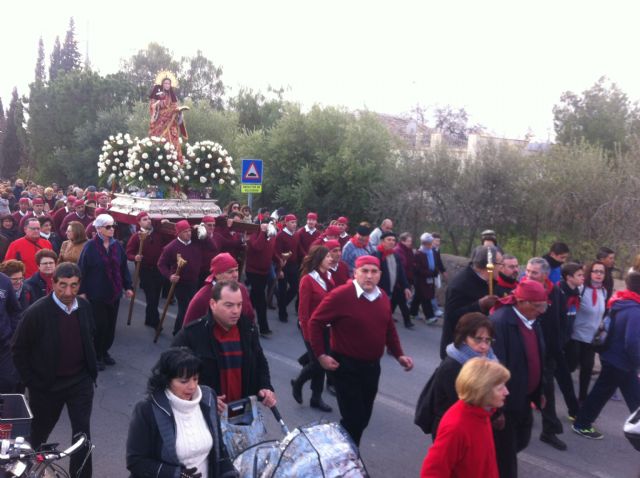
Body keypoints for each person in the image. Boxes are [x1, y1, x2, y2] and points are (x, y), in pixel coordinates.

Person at [308, 255, 414, 446]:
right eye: (364, 271)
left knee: (363, 419)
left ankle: (343, 452)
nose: (369, 276)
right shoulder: (341, 295)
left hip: (372, 368)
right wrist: (321, 355)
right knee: (353, 421)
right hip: (346, 367)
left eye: (373, 272)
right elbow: (315, 322)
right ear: (355, 273)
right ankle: (347, 462)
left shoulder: (382, 297)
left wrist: (399, 355)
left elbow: (388, 327)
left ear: (380, 275)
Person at [11, 262, 96, 478]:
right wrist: (33, 382)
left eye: (74, 286)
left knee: (82, 437)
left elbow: (90, 337)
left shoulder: (85, 307)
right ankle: (25, 472)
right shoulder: (36, 312)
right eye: (63, 286)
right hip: (47, 387)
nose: (69, 292)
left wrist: (89, 372)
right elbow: (18, 350)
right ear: (53, 283)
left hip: (80, 383)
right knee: (38, 434)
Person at [126, 347, 238, 478]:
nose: (192, 386)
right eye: (184, 381)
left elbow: (219, 447)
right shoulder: (147, 410)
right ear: (167, 381)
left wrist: (228, 472)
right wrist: (176, 475)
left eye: (195, 379)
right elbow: (136, 461)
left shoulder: (208, 398)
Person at [173, 281, 276, 412]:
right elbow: (169, 374)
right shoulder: (192, 334)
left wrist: (265, 386)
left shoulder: (248, 329)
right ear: (213, 304)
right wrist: (201, 396)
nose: (236, 311)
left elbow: (260, 362)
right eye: (229, 305)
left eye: (239, 305)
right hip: (204, 416)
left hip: (241, 413)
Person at [573, 271, 640, 439]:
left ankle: (582, 422)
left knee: (634, 395)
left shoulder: (622, 302)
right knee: (601, 393)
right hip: (620, 361)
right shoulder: (635, 311)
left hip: (616, 358)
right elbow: (632, 342)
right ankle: (581, 424)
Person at [490, 280, 547, 478]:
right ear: (522, 302)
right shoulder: (501, 322)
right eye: (538, 306)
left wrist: (539, 391)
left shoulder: (532, 320)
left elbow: (538, 358)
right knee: (506, 459)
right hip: (507, 401)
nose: (542, 311)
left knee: (522, 440)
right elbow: (495, 370)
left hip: (525, 397)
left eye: (544, 305)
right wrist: (497, 411)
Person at [420, 357, 509, 478]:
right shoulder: (456, 427)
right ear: (482, 391)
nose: (506, 392)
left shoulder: (483, 413)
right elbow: (433, 472)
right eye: (500, 388)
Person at [428, 312, 498, 438]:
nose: (483, 346)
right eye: (477, 339)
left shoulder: (489, 359)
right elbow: (466, 405)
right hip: (453, 431)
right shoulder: (453, 367)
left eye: (488, 340)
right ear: (463, 338)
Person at [78, 214, 133, 370]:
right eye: (108, 227)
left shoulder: (117, 246)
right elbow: (82, 269)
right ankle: (95, 355)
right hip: (96, 293)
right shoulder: (89, 247)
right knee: (98, 325)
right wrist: (81, 291)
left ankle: (104, 351)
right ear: (99, 229)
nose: (112, 229)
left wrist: (128, 287)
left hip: (113, 293)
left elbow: (123, 268)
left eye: (113, 226)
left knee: (110, 325)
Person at [291, 246, 334, 412]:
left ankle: (316, 398)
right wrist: (308, 334)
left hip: (327, 327)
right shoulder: (308, 280)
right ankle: (299, 383)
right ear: (319, 259)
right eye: (328, 256)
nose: (331, 259)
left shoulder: (329, 276)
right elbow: (303, 311)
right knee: (319, 363)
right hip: (311, 328)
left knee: (321, 363)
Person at [439, 245, 500, 359]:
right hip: (460, 349)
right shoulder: (460, 284)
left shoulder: (489, 281)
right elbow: (452, 316)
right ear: (489, 266)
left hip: (479, 346)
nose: (501, 268)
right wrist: (479, 305)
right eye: (499, 264)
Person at [566, 261, 607, 402]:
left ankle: (582, 400)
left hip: (591, 338)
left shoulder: (604, 291)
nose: (599, 274)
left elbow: (601, 313)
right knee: (569, 367)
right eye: (596, 271)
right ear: (589, 273)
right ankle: (546, 389)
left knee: (587, 370)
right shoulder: (581, 289)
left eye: (602, 272)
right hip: (576, 336)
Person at [157, 220, 205, 334]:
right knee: (185, 308)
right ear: (178, 233)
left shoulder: (196, 242)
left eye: (189, 231)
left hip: (194, 280)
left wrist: (199, 228)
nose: (188, 233)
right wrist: (170, 276)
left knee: (193, 308)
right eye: (185, 232)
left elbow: (211, 245)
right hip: (180, 282)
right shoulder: (171, 247)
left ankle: (185, 330)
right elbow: (161, 264)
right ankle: (178, 332)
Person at [183, 253, 255, 327]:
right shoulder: (203, 297)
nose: (235, 275)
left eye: (236, 270)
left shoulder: (241, 289)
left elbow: (250, 317)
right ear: (217, 275)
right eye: (230, 272)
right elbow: (188, 329)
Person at [126, 212, 171, 328]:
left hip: (158, 269)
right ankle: (156, 322)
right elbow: (128, 253)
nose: (148, 221)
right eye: (145, 219)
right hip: (145, 270)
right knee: (151, 296)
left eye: (149, 219)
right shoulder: (136, 236)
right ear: (139, 222)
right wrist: (135, 257)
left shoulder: (158, 234)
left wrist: (166, 224)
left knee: (155, 296)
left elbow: (169, 241)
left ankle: (149, 319)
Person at [245, 220, 277, 336]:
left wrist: (279, 260)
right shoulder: (254, 235)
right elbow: (257, 247)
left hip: (264, 272)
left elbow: (273, 252)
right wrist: (262, 232)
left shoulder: (272, 237)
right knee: (261, 300)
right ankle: (263, 328)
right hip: (253, 271)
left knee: (253, 299)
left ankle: (244, 320)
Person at [149, 75, 188, 162]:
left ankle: (176, 161)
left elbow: (175, 107)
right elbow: (152, 106)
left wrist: (178, 111)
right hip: (160, 122)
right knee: (161, 140)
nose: (167, 85)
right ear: (162, 84)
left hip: (171, 122)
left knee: (174, 141)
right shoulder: (157, 94)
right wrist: (158, 104)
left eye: (169, 83)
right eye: (165, 83)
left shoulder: (172, 96)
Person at [275, 214, 300, 323]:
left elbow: (297, 249)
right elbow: (276, 251)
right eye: (292, 222)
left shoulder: (296, 235)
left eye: (295, 222)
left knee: (295, 287)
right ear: (286, 223)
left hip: (293, 265)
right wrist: (279, 267)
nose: (294, 224)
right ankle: (282, 314)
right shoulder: (280, 235)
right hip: (283, 265)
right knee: (282, 288)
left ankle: (282, 304)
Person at [411, 233, 439, 325]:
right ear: (424, 243)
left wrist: (435, 271)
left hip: (430, 278)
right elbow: (417, 269)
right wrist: (429, 273)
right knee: (425, 298)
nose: (431, 245)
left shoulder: (432, 252)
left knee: (418, 296)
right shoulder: (418, 254)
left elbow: (436, 263)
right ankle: (429, 317)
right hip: (420, 280)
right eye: (429, 243)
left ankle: (412, 312)